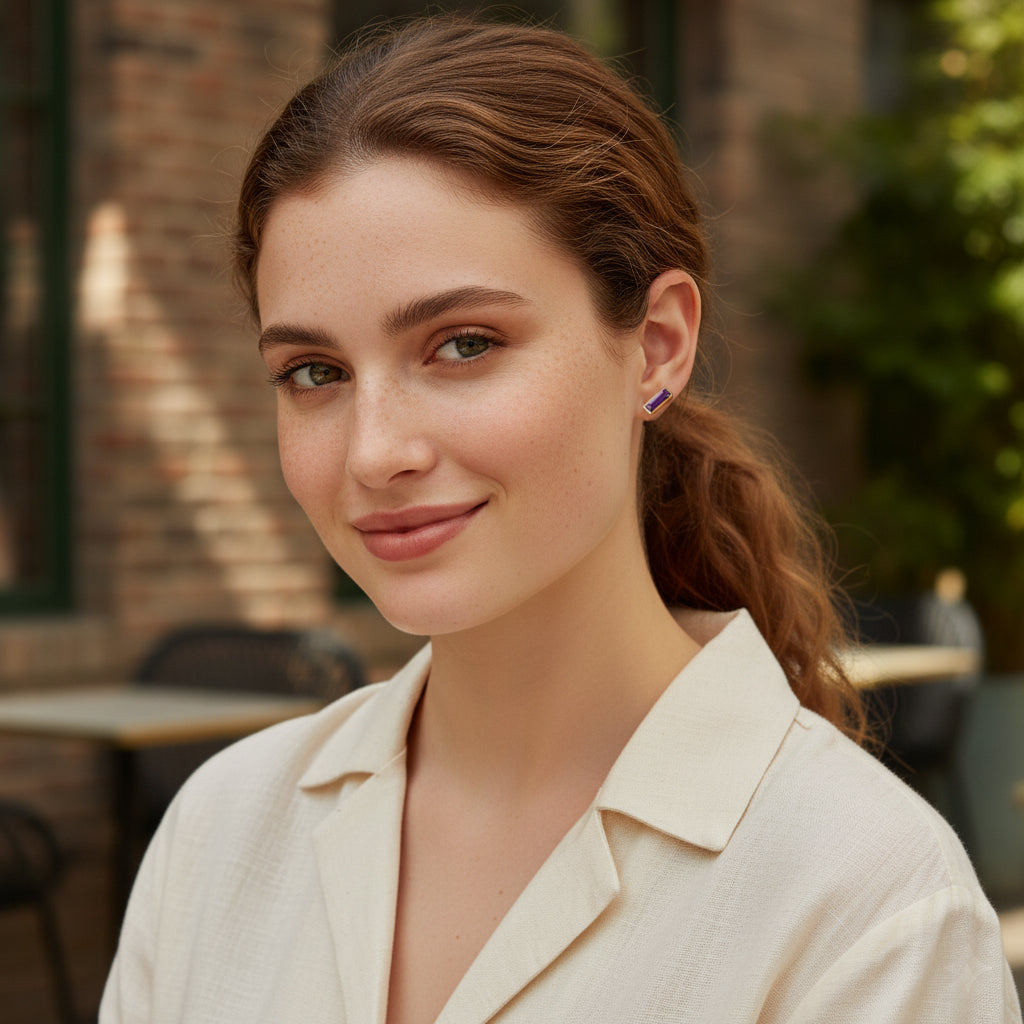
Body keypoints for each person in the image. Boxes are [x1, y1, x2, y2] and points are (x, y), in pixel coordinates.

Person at [100, 15, 1021, 1024]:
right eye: (313, 372)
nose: (373, 451)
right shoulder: (222, 835)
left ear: (658, 345)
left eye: (462, 345)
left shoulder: (865, 906)